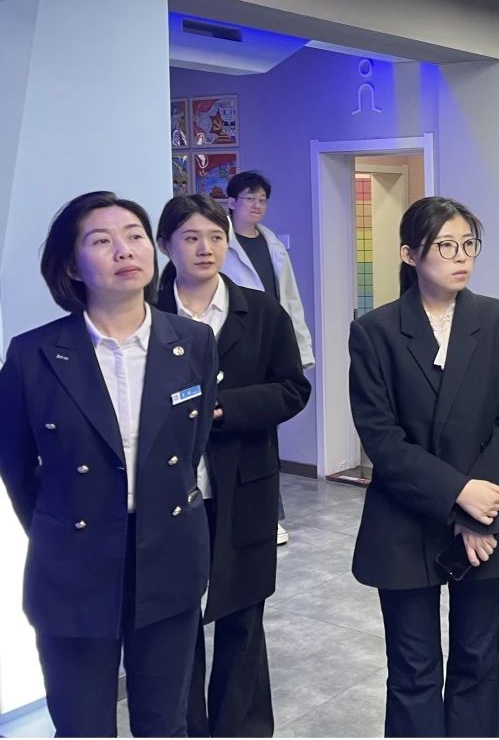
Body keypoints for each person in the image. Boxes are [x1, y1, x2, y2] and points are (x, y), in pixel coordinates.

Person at [0, 191, 218, 737]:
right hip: (72, 563)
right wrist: (61, 524)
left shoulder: (192, 341)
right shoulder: (32, 355)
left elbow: (190, 449)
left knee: (165, 721)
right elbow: (17, 466)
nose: (125, 250)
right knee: (81, 724)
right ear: (73, 266)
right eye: (102, 240)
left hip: (168, 552)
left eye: (135, 236)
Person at [348, 197, 499, 737]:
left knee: (478, 658)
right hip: (405, 519)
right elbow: (381, 438)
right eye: (446, 246)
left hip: (487, 518)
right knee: (413, 667)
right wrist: (458, 495)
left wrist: (476, 512)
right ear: (410, 254)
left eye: (468, 245)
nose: (461, 257)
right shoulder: (376, 331)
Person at [155, 194, 311, 737]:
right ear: (166, 245)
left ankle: (240, 728)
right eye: (191, 237)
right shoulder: (146, 313)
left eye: (216, 237)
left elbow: (293, 389)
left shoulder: (261, 312)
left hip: (244, 484)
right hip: (168, 491)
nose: (206, 248)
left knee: (242, 615)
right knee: (175, 621)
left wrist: (225, 408)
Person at [221, 170, 313, 547]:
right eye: (250, 198)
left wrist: (300, 347)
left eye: (262, 200)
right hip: (236, 345)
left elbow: (289, 299)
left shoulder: (272, 244)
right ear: (231, 202)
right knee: (243, 429)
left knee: (267, 425)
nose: (257, 205)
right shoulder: (222, 244)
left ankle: (270, 514)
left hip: (272, 342)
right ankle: (260, 514)